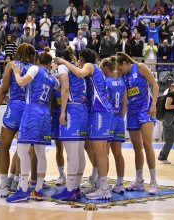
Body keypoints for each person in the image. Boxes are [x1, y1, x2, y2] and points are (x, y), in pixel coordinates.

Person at [55, 49, 114, 200]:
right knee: (96, 150)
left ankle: (104, 188)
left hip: (101, 111)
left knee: (100, 151)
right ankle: (99, 185)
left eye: (79, 60)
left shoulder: (90, 65)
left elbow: (79, 73)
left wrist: (63, 61)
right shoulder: (94, 71)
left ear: (81, 59)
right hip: (96, 111)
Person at [7, 49, 59, 203]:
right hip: (45, 113)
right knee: (40, 153)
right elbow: (59, 87)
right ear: (50, 64)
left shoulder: (35, 68)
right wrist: (54, 71)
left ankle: (23, 190)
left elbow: (22, 82)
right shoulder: (52, 77)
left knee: (22, 150)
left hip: (32, 111)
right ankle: (38, 190)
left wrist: (16, 73)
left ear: (38, 61)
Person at [0, 44, 36, 198]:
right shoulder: (34, 68)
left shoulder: (11, 65)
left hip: (15, 107)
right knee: (23, 149)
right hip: (29, 109)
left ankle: (3, 186)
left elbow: (3, 90)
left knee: (4, 146)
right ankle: (18, 183)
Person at [115, 52, 159, 194]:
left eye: (120, 69)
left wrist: (154, 105)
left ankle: (153, 182)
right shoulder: (124, 75)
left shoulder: (140, 67)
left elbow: (155, 85)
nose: (120, 72)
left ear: (124, 64)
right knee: (136, 148)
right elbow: (125, 98)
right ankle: (139, 181)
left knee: (147, 144)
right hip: (132, 113)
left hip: (145, 110)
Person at [51, 48, 88, 201]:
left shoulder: (62, 67)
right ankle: (76, 187)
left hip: (72, 110)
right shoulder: (77, 67)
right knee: (79, 152)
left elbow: (65, 88)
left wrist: (62, 111)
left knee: (72, 154)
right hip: (83, 111)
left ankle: (70, 189)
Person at [100, 57, 128, 194]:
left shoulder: (105, 83)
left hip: (108, 118)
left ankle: (102, 184)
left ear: (106, 68)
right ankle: (120, 183)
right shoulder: (122, 83)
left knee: (104, 152)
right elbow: (124, 103)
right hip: (119, 119)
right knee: (118, 153)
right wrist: (120, 118)